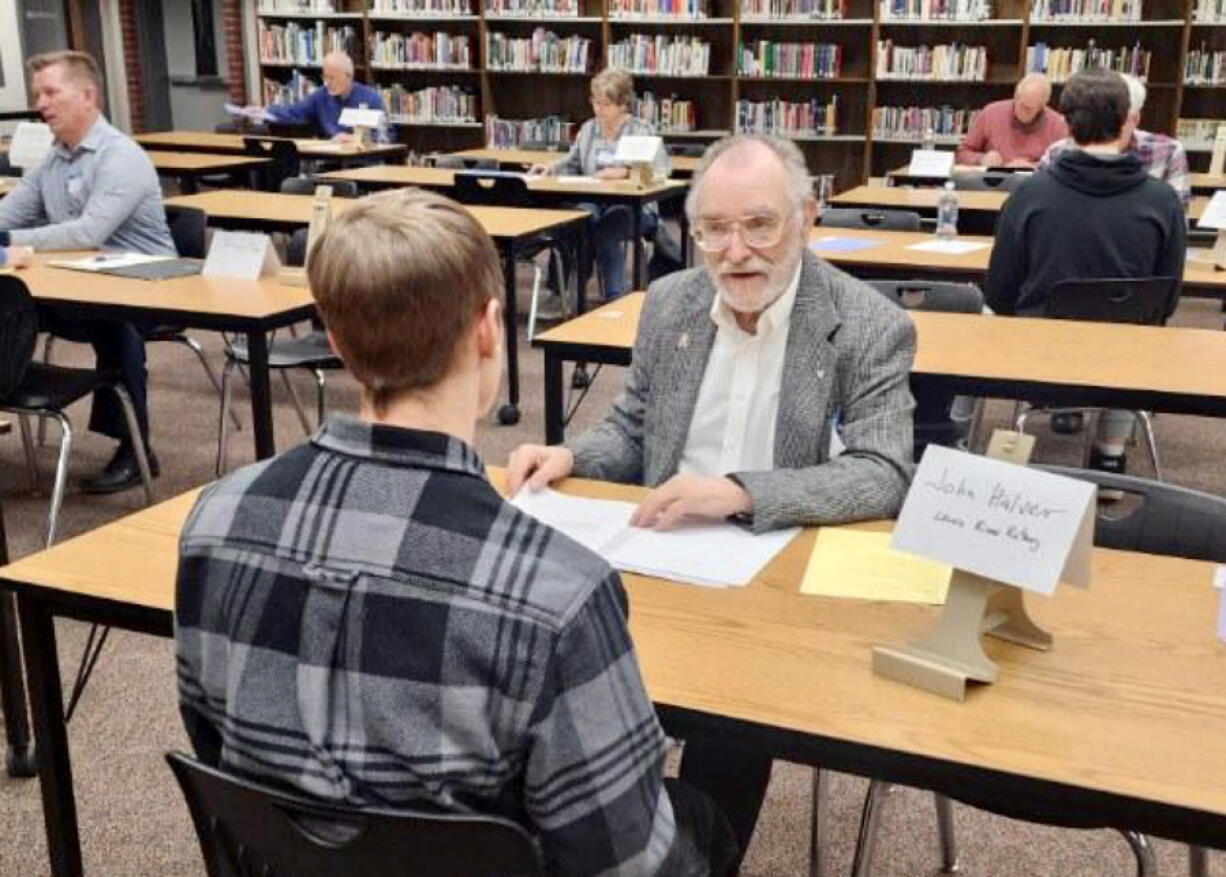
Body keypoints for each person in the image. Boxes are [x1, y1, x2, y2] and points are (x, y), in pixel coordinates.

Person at [175, 187, 737, 877]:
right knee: (700, 819)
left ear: (335, 337)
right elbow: (622, 859)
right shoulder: (557, 591)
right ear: (487, 330)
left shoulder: (214, 520)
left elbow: (212, 739)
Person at [508, 133, 917, 854]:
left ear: (806, 216)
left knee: (728, 721)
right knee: (557, 659)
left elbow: (884, 471)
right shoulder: (670, 303)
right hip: (661, 551)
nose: (736, 250)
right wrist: (570, 452)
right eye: (714, 230)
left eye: (760, 224)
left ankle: (700, 854)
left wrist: (738, 492)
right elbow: (633, 428)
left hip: (775, 568)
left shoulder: (868, 324)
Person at [985, 67, 1185, 475]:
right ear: (1128, 120)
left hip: (1037, 361)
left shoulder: (1028, 194)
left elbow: (999, 292)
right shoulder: (1162, 201)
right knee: (1135, 335)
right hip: (1124, 367)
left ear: (1068, 123)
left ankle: (970, 445)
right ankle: (1111, 454)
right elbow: (1169, 297)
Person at [0, 50, 174, 493]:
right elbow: (10, 213)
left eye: (51, 92)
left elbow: (88, 233)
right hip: (81, 282)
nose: (41, 102)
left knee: (117, 327)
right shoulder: (55, 159)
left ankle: (136, 450)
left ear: (88, 96)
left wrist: (13, 244)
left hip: (154, 287)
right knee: (14, 307)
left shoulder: (121, 156)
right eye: (38, 93)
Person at [529, 67, 670, 304]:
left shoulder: (641, 130)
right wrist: (551, 168)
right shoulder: (588, 129)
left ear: (623, 104)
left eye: (606, 104)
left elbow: (662, 170)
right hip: (594, 200)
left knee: (608, 227)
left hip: (636, 208)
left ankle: (616, 298)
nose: (598, 109)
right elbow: (572, 162)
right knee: (574, 221)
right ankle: (565, 294)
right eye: (595, 102)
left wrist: (626, 172)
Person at [1040, 72, 1190, 207]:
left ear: (1135, 119)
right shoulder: (1057, 152)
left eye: (1117, 119)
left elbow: (1176, 218)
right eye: (1100, 117)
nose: (1106, 126)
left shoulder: (1168, 152)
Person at [259, 51, 389, 142]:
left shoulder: (371, 98)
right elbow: (294, 112)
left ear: (348, 76)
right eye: (325, 77)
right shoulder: (320, 96)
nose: (327, 83)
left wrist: (357, 139)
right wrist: (264, 113)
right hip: (330, 162)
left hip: (364, 163)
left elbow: (386, 135)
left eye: (332, 78)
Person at [955, 72, 1069, 167]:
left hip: (1035, 184)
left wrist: (1034, 167)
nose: (1019, 110)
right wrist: (982, 159)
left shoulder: (1057, 124)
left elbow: (1064, 166)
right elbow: (962, 152)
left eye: (1027, 109)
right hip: (995, 182)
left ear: (1042, 107)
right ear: (1015, 94)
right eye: (1018, 101)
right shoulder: (991, 113)